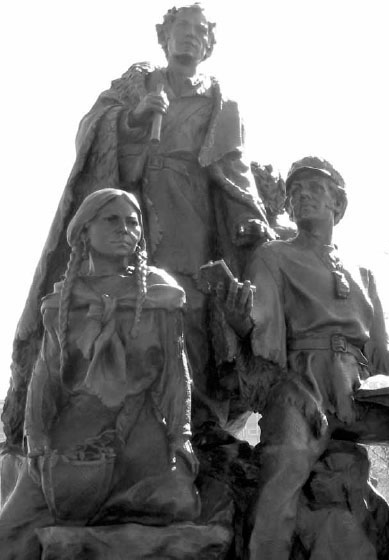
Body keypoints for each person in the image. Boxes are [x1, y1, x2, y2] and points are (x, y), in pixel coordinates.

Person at [2, 3, 271, 448]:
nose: (189, 36)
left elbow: (234, 167)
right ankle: (123, 409)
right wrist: (133, 118)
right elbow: (89, 132)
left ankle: (196, 417)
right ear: (164, 37)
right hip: (134, 206)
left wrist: (250, 218)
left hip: (192, 210)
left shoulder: (223, 105)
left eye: (199, 31)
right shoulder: (134, 86)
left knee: (190, 307)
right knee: (129, 301)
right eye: (181, 29)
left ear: (208, 44)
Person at [220, 156, 389, 560]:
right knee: (284, 467)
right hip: (302, 385)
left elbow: (382, 351)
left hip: (360, 391)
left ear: (337, 203)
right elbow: (262, 321)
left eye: (314, 189)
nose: (302, 196)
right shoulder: (272, 256)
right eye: (295, 192)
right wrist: (240, 324)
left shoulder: (364, 272)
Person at [0, 189, 200, 559]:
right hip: (75, 425)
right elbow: (45, 377)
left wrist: (179, 435)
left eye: (132, 222)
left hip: (138, 424)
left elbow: (175, 372)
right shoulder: (61, 303)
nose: (125, 229)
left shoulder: (161, 295)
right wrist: (38, 438)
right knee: (10, 532)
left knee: (178, 501)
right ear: (84, 232)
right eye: (112, 220)